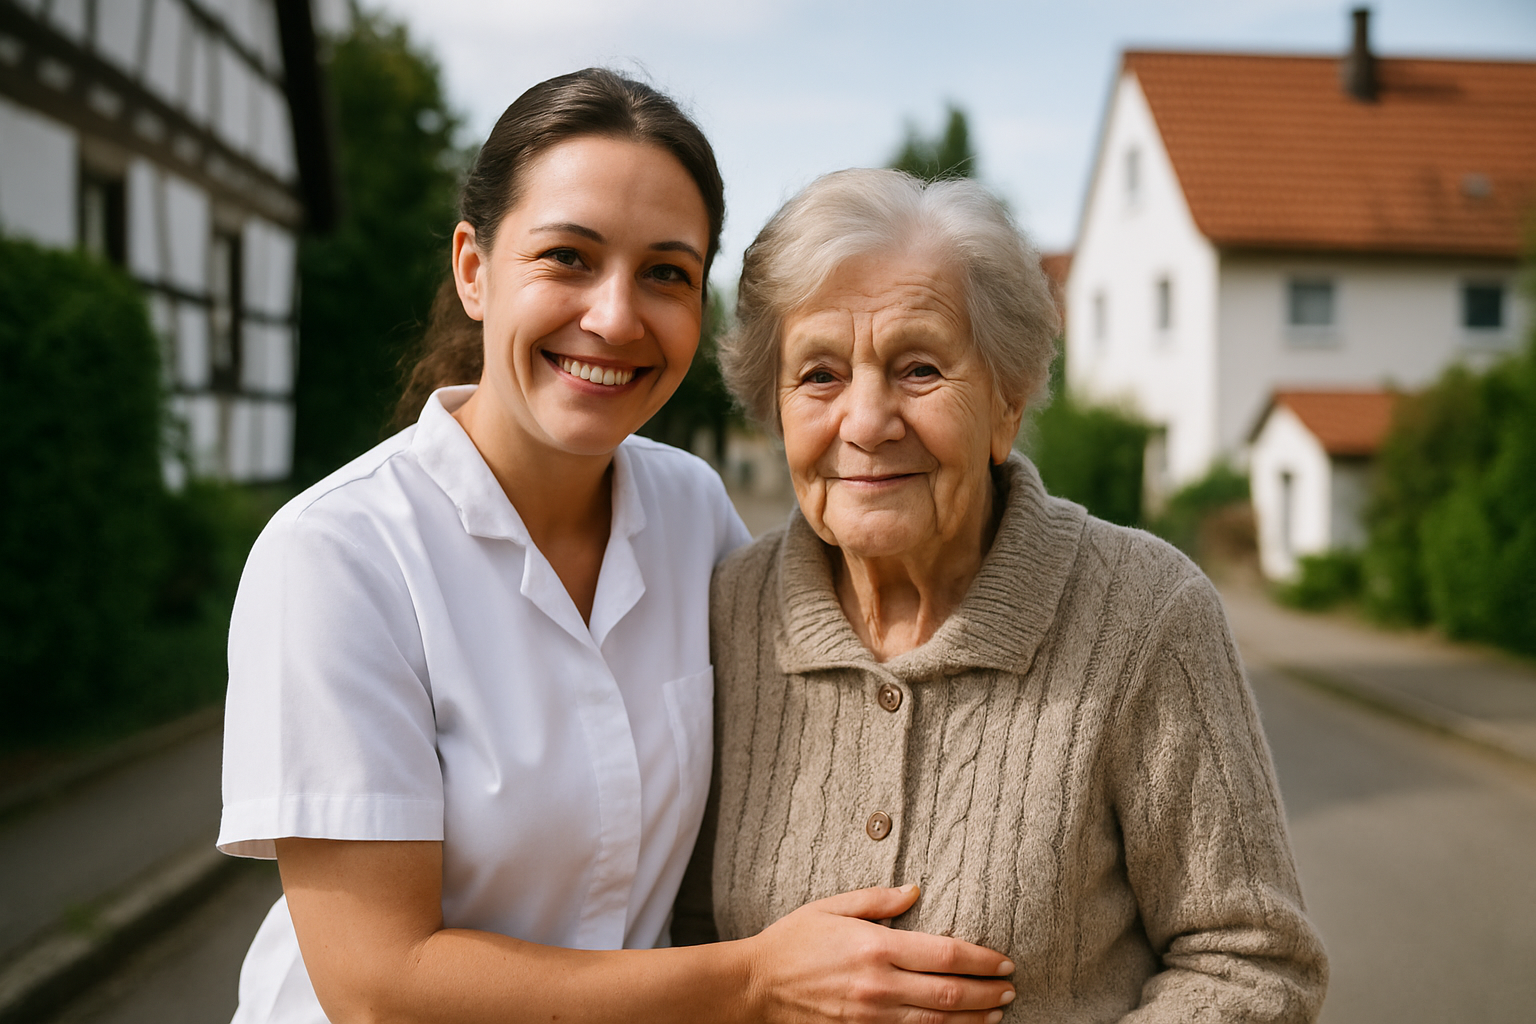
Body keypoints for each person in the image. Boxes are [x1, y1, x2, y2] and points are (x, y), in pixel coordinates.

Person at [219, 72, 1017, 1024]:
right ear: (475, 270)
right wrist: (757, 979)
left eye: (667, 273)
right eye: (568, 257)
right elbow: (382, 985)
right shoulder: (338, 557)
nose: (615, 317)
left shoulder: (693, 512)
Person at [675, 168, 1329, 1022]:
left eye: (917, 369)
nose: (866, 423)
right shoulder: (724, 612)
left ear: (1008, 401)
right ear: (777, 406)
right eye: (820, 376)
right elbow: (680, 936)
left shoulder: (1145, 611)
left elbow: (1254, 963)